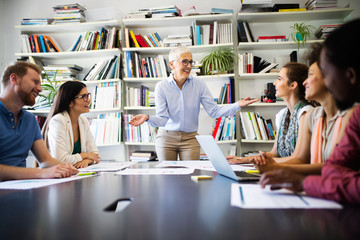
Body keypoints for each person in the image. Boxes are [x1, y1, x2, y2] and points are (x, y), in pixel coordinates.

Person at [260, 18, 360, 203]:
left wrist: (303, 182)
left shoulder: (350, 115)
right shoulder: (354, 117)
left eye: (327, 73)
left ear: (351, 75)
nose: (306, 81)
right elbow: (333, 169)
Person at [129, 46, 259, 161]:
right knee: (167, 179)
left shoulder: (199, 84)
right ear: (171, 64)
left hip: (190, 139)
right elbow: (163, 120)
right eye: (184, 62)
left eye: (191, 62)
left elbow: (213, 111)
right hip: (166, 138)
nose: (189, 66)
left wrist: (237, 105)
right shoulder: (161, 87)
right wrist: (147, 117)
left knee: (191, 177)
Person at [252, 43, 354, 175]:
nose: (305, 82)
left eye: (311, 75)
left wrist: (275, 168)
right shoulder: (311, 115)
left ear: (330, 77)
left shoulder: (350, 116)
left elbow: (335, 168)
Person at [0, 61, 78, 181]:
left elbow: (45, 160)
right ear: (14, 79)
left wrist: (63, 168)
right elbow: (43, 170)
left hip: (21, 189)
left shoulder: (30, 120)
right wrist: (41, 173)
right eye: (35, 82)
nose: (40, 89)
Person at [227, 62, 313, 164]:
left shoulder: (306, 112)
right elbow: (274, 153)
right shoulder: (282, 115)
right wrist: (243, 159)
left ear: (293, 85)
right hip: (281, 172)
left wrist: (252, 160)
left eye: (279, 79)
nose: (274, 83)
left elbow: (300, 160)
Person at [42, 81, 100, 169]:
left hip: (75, 174)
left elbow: (95, 154)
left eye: (88, 96)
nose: (88, 100)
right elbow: (60, 160)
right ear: (70, 102)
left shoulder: (83, 121)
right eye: (83, 97)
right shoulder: (58, 121)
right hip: (58, 176)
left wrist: (87, 160)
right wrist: (84, 155)